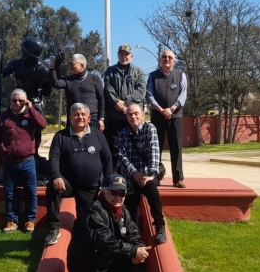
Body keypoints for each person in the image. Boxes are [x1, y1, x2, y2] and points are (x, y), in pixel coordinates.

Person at [64, 173, 152, 272]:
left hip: (105, 259)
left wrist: (138, 249)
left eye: (122, 193)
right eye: (114, 192)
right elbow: (107, 243)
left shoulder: (123, 211)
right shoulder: (94, 213)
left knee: (136, 257)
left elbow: (134, 235)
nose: (118, 197)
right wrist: (133, 250)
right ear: (103, 191)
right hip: (85, 266)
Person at [45, 103, 112, 246]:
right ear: (70, 118)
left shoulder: (98, 136)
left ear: (89, 118)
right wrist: (56, 176)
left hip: (90, 187)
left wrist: (107, 183)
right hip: (67, 184)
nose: (79, 117)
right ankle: (53, 229)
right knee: (52, 186)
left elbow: (107, 160)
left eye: (83, 114)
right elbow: (53, 158)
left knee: (87, 227)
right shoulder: (60, 136)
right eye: (76, 114)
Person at [0, 89, 48, 233]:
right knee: (9, 193)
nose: (17, 103)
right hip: (8, 162)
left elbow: (43, 125)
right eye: (14, 100)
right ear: (10, 101)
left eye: (21, 100)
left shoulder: (31, 115)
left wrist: (31, 108)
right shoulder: (4, 117)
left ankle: (30, 220)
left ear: (26, 101)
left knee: (30, 192)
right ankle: (11, 221)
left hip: (27, 161)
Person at [117, 103, 167, 244]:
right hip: (132, 177)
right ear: (126, 117)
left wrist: (149, 175)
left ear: (143, 115)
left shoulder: (150, 129)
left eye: (136, 113)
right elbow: (123, 156)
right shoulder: (123, 134)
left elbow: (154, 153)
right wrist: (135, 174)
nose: (133, 116)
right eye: (130, 114)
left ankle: (159, 225)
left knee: (151, 187)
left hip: (149, 174)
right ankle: (133, 237)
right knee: (131, 204)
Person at [0, 37, 53, 153]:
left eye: (23, 50)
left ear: (28, 53)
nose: (21, 52)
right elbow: (1, 75)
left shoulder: (44, 68)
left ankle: (35, 153)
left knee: (38, 126)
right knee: (8, 123)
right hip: (18, 99)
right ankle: (8, 151)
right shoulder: (15, 64)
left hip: (34, 101)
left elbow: (48, 90)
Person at [146, 49, 188, 188]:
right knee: (155, 148)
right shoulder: (152, 76)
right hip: (157, 117)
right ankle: (156, 177)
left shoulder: (180, 75)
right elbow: (149, 95)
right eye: (164, 57)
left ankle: (178, 179)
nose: (167, 59)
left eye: (170, 57)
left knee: (176, 147)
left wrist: (171, 109)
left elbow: (183, 95)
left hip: (175, 116)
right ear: (160, 60)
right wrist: (161, 109)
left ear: (174, 61)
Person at [103, 44, 146, 168]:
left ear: (131, 56)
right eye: (121, 54)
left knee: (135, 146)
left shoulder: (138, 72)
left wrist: (126, 102)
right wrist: (118, 104)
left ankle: (135, 175)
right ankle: (115, 177)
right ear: (118, 55)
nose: (124, 56)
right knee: (115, 147)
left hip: (133, 118)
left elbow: (141, 91)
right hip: (114, 117)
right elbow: (108, 89)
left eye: (126, 54)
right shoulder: (109, 72)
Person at [49, 53, 105, 131]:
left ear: (82, 65)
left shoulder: (94, 79)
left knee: (91, 142)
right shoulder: (68, 80)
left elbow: (101, 99)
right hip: (73, 118)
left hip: (91, 119)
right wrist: (53, 67)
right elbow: (56, 83)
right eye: (69, 64)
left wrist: (101, 118)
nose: (70, 66)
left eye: (72, 64)